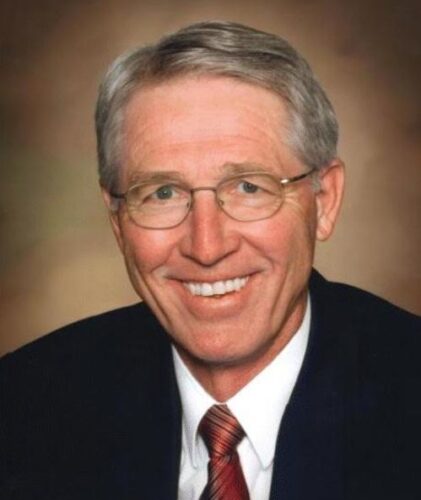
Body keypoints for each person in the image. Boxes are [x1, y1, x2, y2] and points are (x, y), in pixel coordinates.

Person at [1, 21, 420, 500]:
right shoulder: (23, 408)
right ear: (117, 220)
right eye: (162, 193)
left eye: (248, 187)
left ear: (324, 201)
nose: (206, 247)